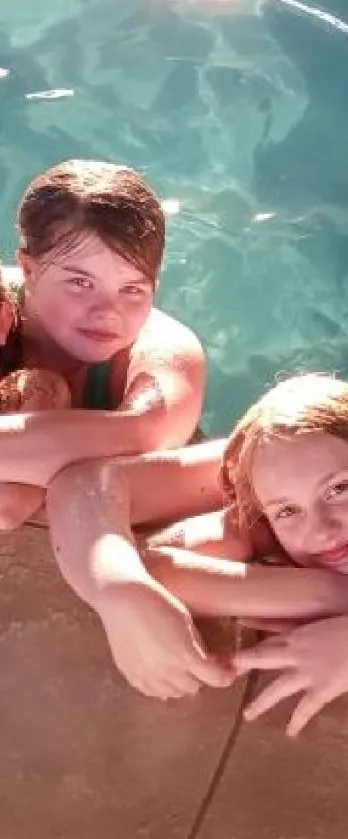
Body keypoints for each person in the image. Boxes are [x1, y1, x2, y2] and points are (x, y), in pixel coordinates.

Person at [0, 158, 232, 695]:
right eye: (81, 282)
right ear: (28, 270)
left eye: (134, 288)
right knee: (43, 390)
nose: (108, 313)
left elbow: (142, 439)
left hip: (137, 495)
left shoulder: (166, 352)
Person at [47, 372, 348, 704]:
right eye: (286, 511)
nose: (323, 529)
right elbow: (98, 497)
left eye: (339, 489)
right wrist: (120, 590)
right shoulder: (295, 447)